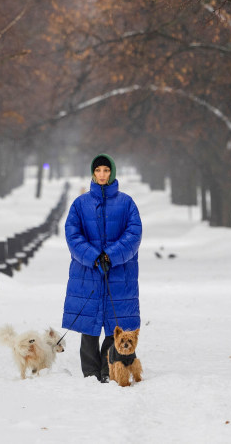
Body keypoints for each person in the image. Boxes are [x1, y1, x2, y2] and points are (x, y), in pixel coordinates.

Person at [61, 153, 142, 382]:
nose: (102, 175)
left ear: (112, 173)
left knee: (115, 324)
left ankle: (108, 369)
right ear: (93, 174)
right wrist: (95, 256)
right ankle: (90, 372)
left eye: (106, 171)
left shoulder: (126, 203)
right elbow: (72, 235)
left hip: (119, 272)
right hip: (88, 272)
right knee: (89, 324)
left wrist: (111, 255)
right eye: (98, 171)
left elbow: (134, 234)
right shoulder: (80, 204)